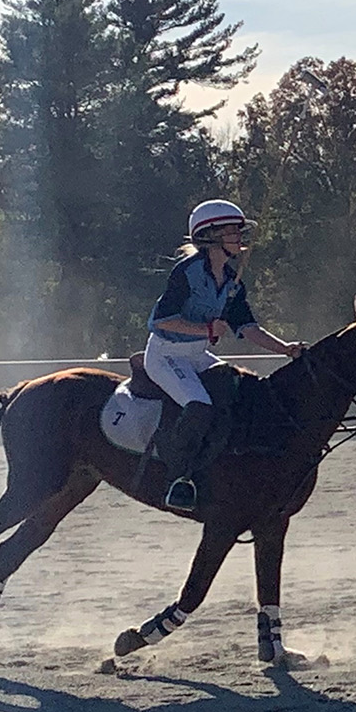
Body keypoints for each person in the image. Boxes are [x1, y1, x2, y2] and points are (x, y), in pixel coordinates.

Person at [145, 199, 304, 510]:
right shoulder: (187, 272)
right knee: (200, 406)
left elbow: (247, 327)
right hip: (166, 356)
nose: (240, 238)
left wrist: (286, 349)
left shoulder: (233, 283)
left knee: (235, 389)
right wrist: (207, 329)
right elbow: (161, 321)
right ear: (211, 235)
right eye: (233, 231)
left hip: (196, 356)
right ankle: (179, 478)